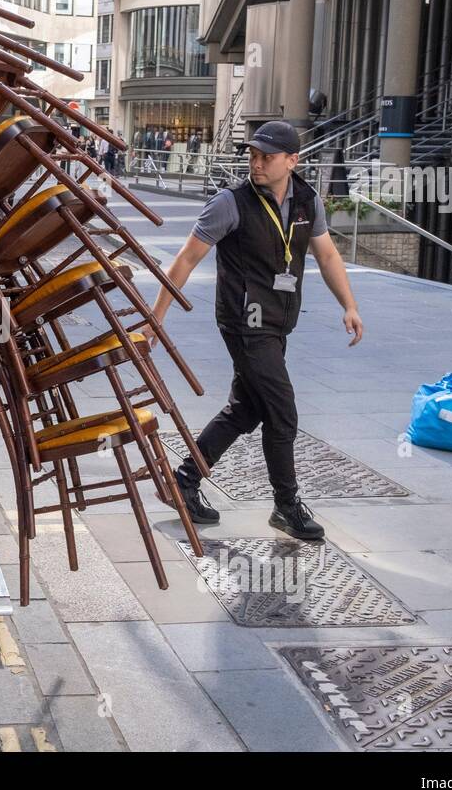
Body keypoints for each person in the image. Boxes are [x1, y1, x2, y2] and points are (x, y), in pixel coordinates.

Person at [144, 120, 364, 540]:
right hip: (245, 322)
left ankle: (184, 481)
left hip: (280, 320)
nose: (257, 163)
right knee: (282, 413)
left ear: (292, 160)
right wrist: (158, 314)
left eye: (267, 156)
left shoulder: (306, 201)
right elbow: (186, 260)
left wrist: (349, 305)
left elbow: (329, 255)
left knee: (246, 409)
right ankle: (286, 505)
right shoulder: (230, 203)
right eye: (253, 155)